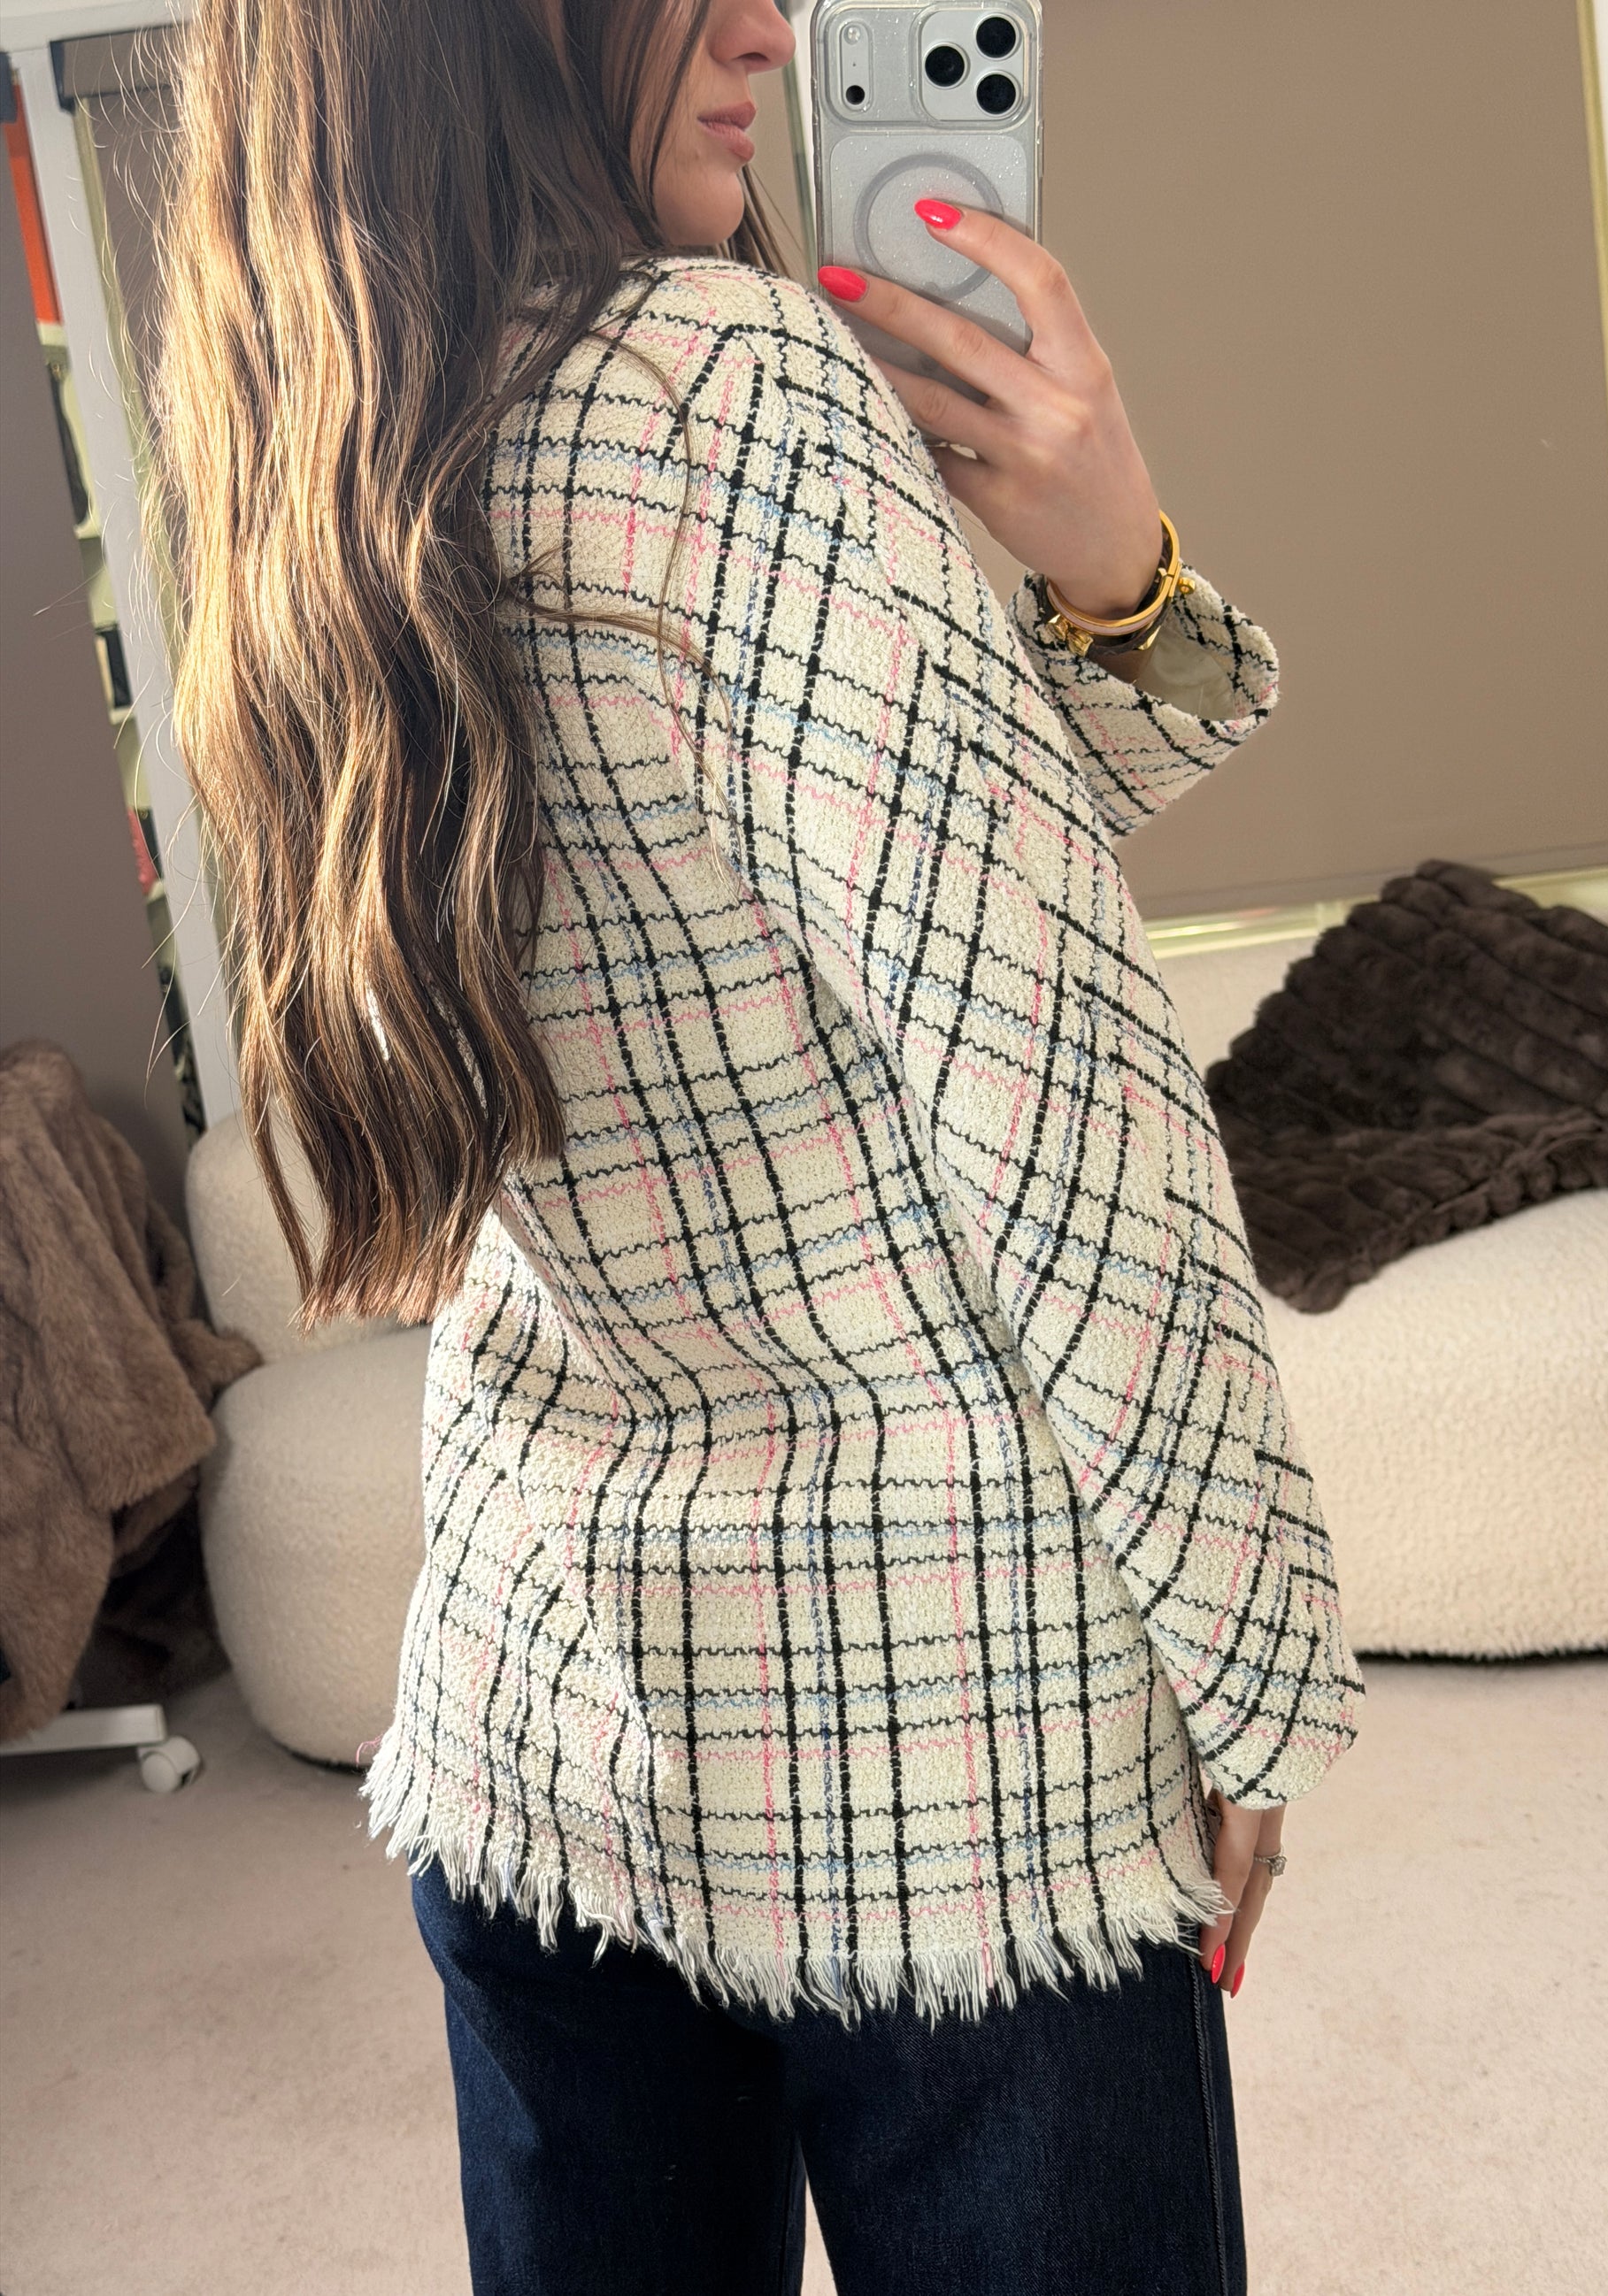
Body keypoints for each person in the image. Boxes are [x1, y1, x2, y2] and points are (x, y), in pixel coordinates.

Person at [151, 2, 1365, 2290]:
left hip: (539, 1702)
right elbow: (1064, 1105)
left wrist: (1112, 584)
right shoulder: (731, 390)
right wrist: (1252, 1663)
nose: (769, 25)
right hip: (954, 1750)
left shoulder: (329, 425)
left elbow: (826, 898)